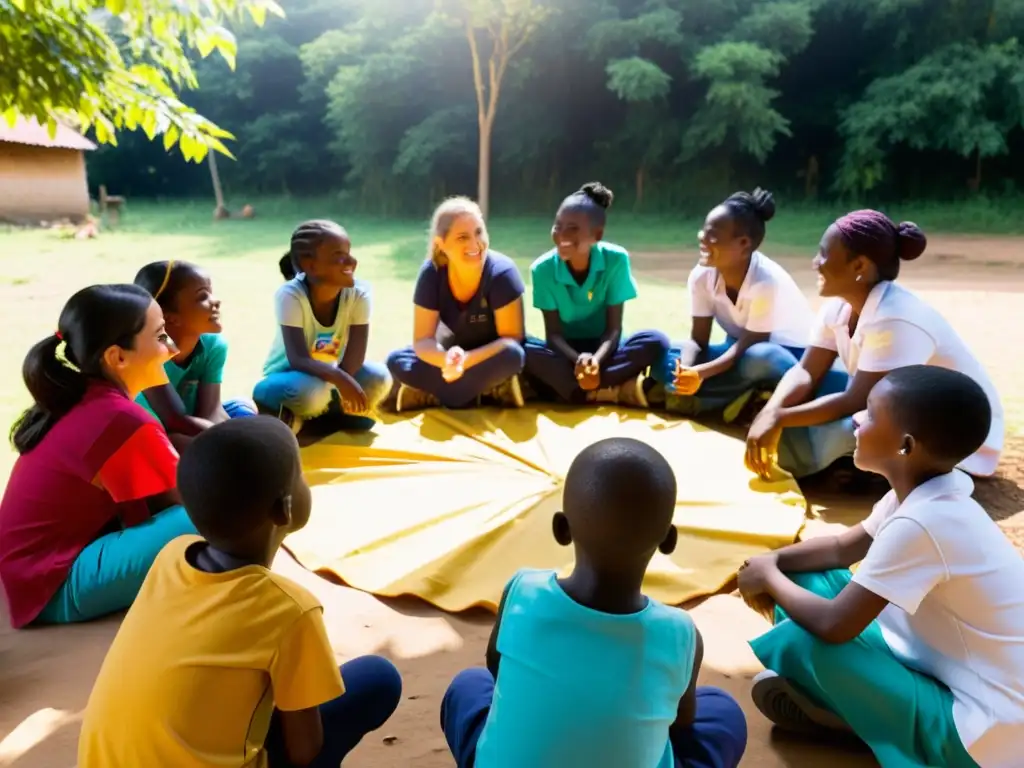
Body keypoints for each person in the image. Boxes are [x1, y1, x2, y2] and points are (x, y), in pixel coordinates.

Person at [738, 366, 1024, 768]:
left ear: (906, 446)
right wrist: (772, 561)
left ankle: (855, 721)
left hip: (983, 734)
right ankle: (861, 709)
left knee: (808, 640)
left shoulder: (923, 523)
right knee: (805, 578)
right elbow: (840, 549)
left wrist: (765, 576)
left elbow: (837, 625)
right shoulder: (926, 494)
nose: (856, 418)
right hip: (947, 671)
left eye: (870, 413)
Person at [78, 417, 403, 766]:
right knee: (378, 680)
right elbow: (305, 750)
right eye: (301, 474)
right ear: (284, 509)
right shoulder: (289, 609)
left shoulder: (171, 557)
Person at [440, 437, 748, 768]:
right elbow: (681, 720)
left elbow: (496, 668)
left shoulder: (522, 590)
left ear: (561, 529)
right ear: (668, 540)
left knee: (469, 685)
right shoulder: (679, 633)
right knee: (722, 712)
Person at [745, 210, 1003, 482]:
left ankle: (851, 468)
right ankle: (845, 462)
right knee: (793, 396)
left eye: (823, 254)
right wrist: (771, 412)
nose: (815, 263)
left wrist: (780, 419)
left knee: (820, 444)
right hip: (895, 408)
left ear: (860, 267)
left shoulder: (895, 317)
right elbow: (806, 371)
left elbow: (855, 400)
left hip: (952, 434)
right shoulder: (838, 307)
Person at [0, 285, 194, 628]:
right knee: (211, 516)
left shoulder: (85, 397)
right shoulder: (123, 421)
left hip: (31, 574)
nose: (172, 347)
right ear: (118, 356)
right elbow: (189, 502)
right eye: (161, 335)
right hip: (52, 587)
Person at [650, 189, 816, 423]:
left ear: (744, 244)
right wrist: (686, 369)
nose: (702, 239)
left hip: (786, 355)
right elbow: (698, 340)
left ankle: (729, 399)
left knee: (760, 358)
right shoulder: (701, 276)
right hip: (738, 353)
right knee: (665, 354)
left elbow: (752, 345)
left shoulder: (764, 282)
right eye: (703, 232)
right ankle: (742, 399)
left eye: (713, 236)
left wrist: (703, 372)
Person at [523, 182, 668, 407]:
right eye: (557, 226)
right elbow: (553, 336)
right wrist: (579, 360)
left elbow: (614, 329)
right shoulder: (542, 269)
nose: (562, 235)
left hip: (606, 348)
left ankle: (574, 391)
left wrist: (595, 361)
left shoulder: (616, 259)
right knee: (524, 349)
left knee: (655, 340)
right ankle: (609, 389)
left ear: (596, 234)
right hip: (566, 352)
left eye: (572, 228)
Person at [386, 197, 527, 411]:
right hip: (451, 353)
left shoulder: (502, 273)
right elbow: (423, 340)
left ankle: (438, 393)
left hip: (489, 356)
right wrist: (446, 360)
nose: (474, 244)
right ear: (440, 244)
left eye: (479, 232)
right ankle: (486, 391)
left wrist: (464, 362)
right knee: (396, 360)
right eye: (463, 237)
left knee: (514, 355)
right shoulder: (431, 273)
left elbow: (513, 338)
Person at [253, 220, 391, 434]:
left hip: (332, 378)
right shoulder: (291, 295)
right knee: (311, 393)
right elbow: (298, 358)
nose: (352, 261)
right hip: (290, 379)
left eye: (349, 252)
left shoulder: (359, 294)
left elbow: (355, 357)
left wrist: (345, 384)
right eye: (339, 255)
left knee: (378, 377)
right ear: (310, 265)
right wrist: (342, 382)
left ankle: (314, 421)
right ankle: (289, 413)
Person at [134, 260, 257, 451]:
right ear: (169, 316)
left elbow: (211, 410)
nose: (216, 301)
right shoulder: (150, 356)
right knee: (177, 443)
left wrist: (227, 438)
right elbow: (173, 422)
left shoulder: (213, 345)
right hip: (157, 433)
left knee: (243, 407)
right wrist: (234, 442)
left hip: (195, 425)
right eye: (202, 296)